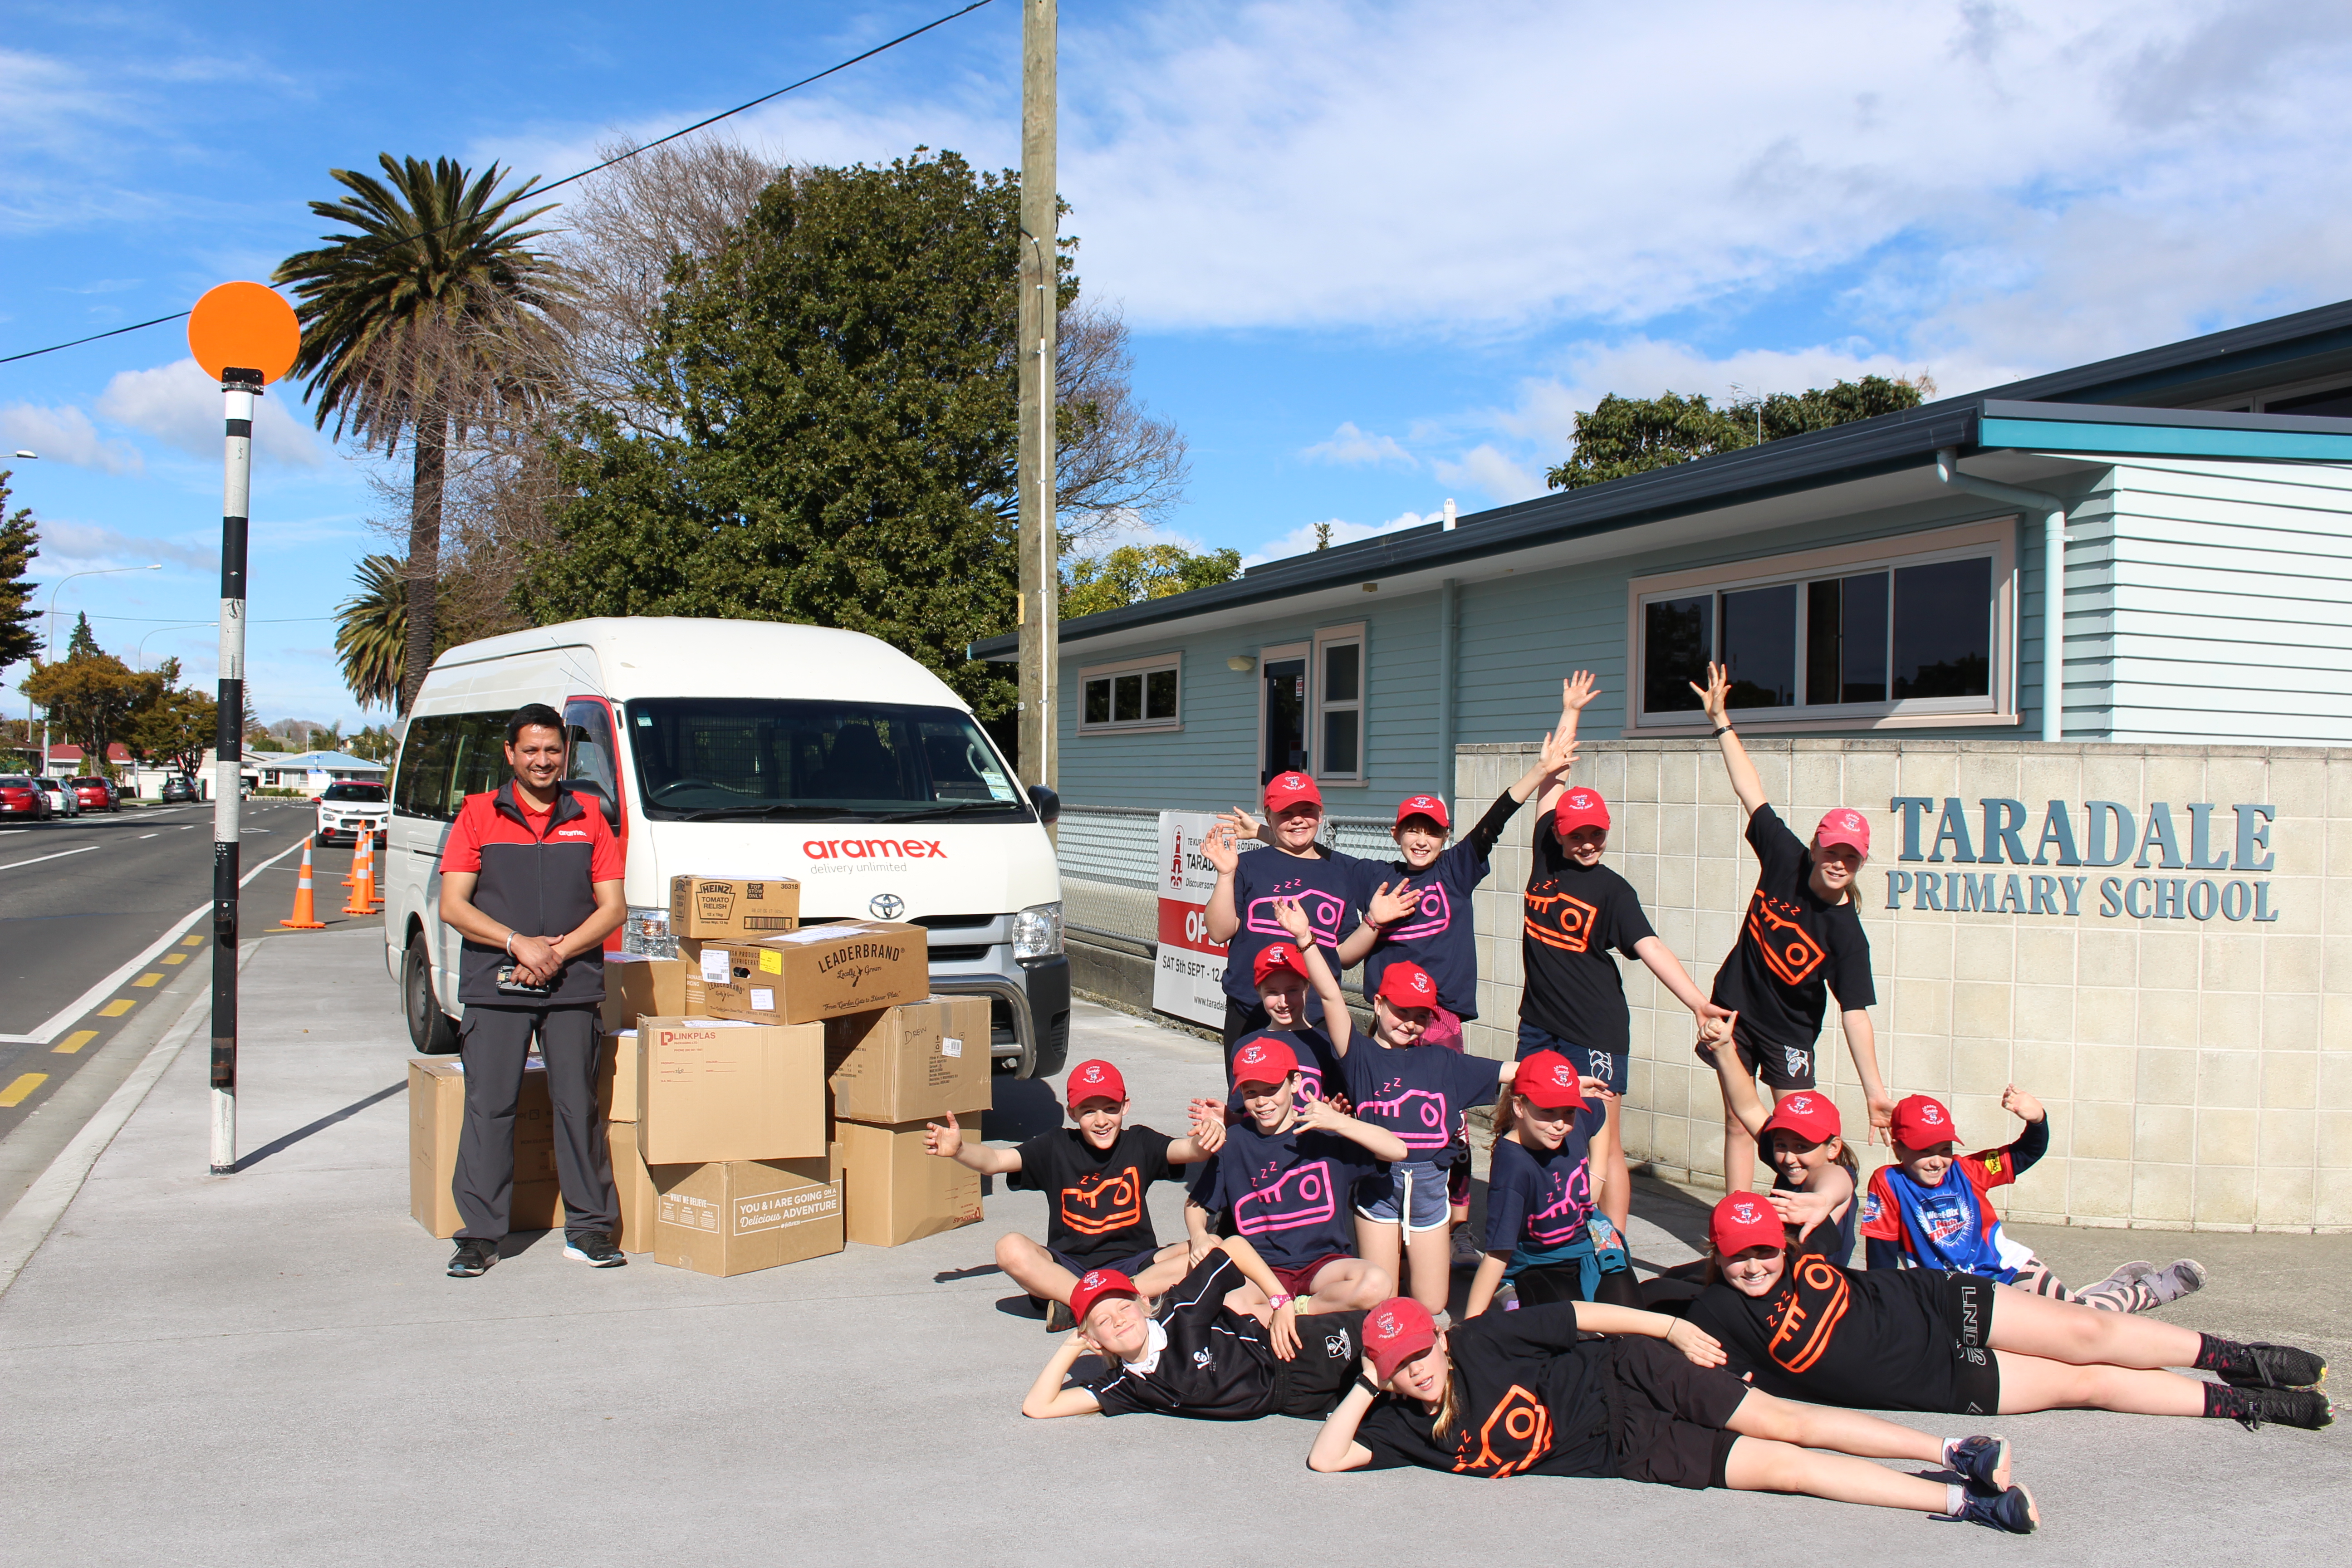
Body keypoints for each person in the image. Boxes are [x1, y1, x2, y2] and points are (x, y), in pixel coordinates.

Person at [1305, 1295, 2040, 1533]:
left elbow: (1576, 1315)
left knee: (1784, 1422)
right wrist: (1368, 1385)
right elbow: (1325, 1459)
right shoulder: (1402, 1426)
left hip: (1628, 1372)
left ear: (1437, 1337)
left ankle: (1953, 1451)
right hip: (1630, 1448)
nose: (1419, 1369)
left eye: (1419, 1352)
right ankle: (1963, 1504)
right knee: (1785, 1471)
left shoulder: (1480, 1340)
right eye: (1400, 1366)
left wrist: (1666, 1329)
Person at [1686, 1192, 2330, 1430]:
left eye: (1766, 1250)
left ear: (1784, 1239)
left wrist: (1818, 1196)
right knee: (2089, 1383)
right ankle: (2245, 1406)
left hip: (1938, 1302)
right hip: (1935, 1380)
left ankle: (2242, 1361)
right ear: (1719, 1251)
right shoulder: (1717, 1312)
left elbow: (1839, 1179)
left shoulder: (1803, 1245)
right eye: (1741, 1255)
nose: (1756, 1266)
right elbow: (1705, 1373)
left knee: (2087, 1330)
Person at [1516, 674, 1731, 1242]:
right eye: (1576, 835)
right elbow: (1555, 777)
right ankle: (1535, 1224)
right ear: (1557, 835)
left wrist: (1697, 1003)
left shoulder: (1613, 891)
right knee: (1529, 1122)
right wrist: (1570, 714)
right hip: (1538, 1024)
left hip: (1596, 1031)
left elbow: (1651, 948)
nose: (1586, 844)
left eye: (1596, 835)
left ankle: (1609, 1243)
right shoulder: (1545, 856)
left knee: (1602, 1142)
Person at [436, 702, 628, 1277]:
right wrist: (519, 943)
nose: (543, 761)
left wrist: (554, 953)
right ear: (511, 755)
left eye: (552, 750)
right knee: (490, 1108)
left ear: (564, 754)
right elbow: (453, 905)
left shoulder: (591, 814)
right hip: (496, 984)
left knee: (579, 1108)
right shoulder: (477, 815)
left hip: (571, 985)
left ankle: (590, 1230)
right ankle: (479, 1236)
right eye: (531, 750)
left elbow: (612, 906)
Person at [1689, 660, 1894, 1195]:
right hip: (1735, 1008)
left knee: (1796, 1134)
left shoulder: (1847, 934)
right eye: (1831, 849)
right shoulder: (1786, 857)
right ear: (1817, 845)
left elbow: (1855, 1014)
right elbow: (1750, 790)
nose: (1837, 861)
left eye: (1850, 856)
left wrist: (1875, 1090)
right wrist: (1721, 722)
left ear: (1861, 863)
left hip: (1791, 1035)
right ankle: (1733, 1221)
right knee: (1738, 1120)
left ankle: (1796, 1225)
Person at [925, 1058, 1225, 1330]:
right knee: (1009, 1248)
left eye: (1110, 1109)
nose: (1101, 1121)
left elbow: (1191, 1151)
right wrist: (960, 1150)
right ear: (1072, 1113)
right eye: (1088, 1111)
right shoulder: (1056, 1146)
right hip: (1069, 1269)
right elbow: (996, 1161)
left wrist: (1214, 1129)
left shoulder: (1141, 1143)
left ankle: (1088, 1304)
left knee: (1211, 1246)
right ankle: (1103, 1300)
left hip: (1135, 1265)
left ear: (1126, 1106)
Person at [1863, 1091, 2205, 1311]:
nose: (1938, 1161)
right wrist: (1886, 1310)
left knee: (2082, 1320)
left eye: (1945, 1150)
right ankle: (2104, 1292)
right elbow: (1880, 1256)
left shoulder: (1969, 1170)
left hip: (2008, 1269)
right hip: (1947, 1291)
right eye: (1925, 1151)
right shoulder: (1888, 1182)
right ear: (1898, 1147)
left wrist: (2037, 1119)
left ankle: (2149, 1292)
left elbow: (2027, 1152)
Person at [1338, 961, 1523, 1316]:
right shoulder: (1358, 1054)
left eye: (1420, 1015)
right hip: (1378, 1186)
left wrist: (1572, 1082)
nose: (1409, 1022)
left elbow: (1509, 1071)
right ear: (1378, 1003)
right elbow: (1331, 997)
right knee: (1383, 1300)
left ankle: (1407, 1263)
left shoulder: (1442, 1061)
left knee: (1434, 1302)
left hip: (1429, 1190)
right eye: (1401, 1010)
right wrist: (1305, 940)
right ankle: (1383, 1265)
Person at [1019, 1237, 1370, 1421]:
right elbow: (1038, 1406)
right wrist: (1072, 1346)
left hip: (1292, 1350)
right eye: (1103, 1322)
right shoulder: (1126, 1386)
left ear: (1143, 1303)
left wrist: (1280, 1303)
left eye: (1124, 1307)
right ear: (1095, 1340)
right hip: (1294, 1403)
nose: (1119, 1320)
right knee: (1387, 1408)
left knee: (1397, 1347)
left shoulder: (1181, 1311)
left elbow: (1233, 1248)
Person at [1186, 1036, 1404, 1313]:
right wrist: (1199, 1235)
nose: (1262, 1101)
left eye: (1272, 1089)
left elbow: (1397, 1150)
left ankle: (1301, 1311)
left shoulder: (1322, 1133)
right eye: (1251, 1093)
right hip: (1263, 1271)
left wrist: (1340, 1122)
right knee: (1225, 1302)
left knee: (1376, 1283)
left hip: (1324, 1266)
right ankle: (1285, 1311)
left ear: (1296, 1083)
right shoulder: (1235, 1142)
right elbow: (1196, 1204)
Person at [1465, 1049, 1636, 1316]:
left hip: (1593, 1245)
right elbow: (1498, 1252)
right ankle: (1508, 1289)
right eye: (1547, 1111)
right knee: (1575, 1332)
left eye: (1568, 1111)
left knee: (1631, 1326)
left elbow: (1598, 1112)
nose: (1559, 1124)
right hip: (1539, 1262)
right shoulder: (1513, 1165)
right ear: (1520, 1107)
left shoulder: (1576, 1119)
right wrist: (1469, 1327)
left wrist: (1598, 1173)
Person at [1202, 772, 1363, 1047]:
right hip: (1251, 1007)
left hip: (1316, 1010)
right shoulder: (1247, 865)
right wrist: (1226, 875)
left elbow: (1344, 956)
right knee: (1251, 1090)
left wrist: (1375, 923)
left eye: (1306, 810)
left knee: (1313, 1090)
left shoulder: (1339, 875)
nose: (1298, 819)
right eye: (1285, 812)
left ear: (1321, 814)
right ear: (1268, 818)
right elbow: (1219, 932)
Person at [1700, 1036, 1860, 1263]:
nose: (1789, 1157)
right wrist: (1724, 1048)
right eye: (1781, 1145)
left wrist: (1824, 1199)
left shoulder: (1834, 1174)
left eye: (1802, 1146)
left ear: (1833, 1149)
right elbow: (1748, 1106)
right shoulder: (1791, 1164)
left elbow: (1836, 1179)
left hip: (1816, 1293)